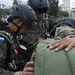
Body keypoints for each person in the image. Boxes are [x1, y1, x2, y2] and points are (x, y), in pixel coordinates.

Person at [0, 3, 37, 75]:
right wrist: (19, 74)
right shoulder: (2, 40)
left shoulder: (13, 37)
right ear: (19, 22)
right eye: (26, 28)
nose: (26, 31)